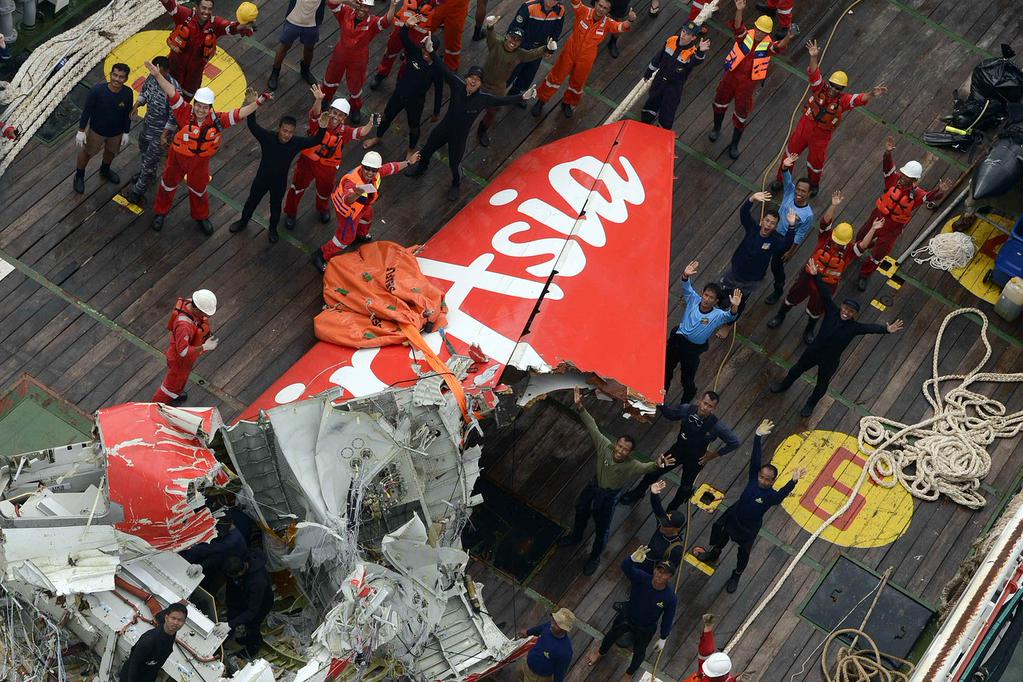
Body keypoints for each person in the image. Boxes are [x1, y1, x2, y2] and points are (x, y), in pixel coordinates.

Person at [556, 388, 675, 576]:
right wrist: (580, 407)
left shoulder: (632, 464)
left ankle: (594, 557)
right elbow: (592, 426)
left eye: (625, 449)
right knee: (581, 510)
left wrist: (658, 464)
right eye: (619, 446)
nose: (620, 451)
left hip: (608, 497)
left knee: (602, 530)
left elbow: (647, 468)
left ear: (630, 453)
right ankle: (576, 536)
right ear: (615, 444)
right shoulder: (604, 445)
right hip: (593, 487)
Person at [144, 60, 268, 234]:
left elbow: (239, 114)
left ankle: (201, 216)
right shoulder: (184, 112)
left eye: (205, 107)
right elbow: (171, 91)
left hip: (199, 163)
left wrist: (258, 103)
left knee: (199, 190)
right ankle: (160, 212)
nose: (201, 110)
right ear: (194, 105)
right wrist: (157, 75)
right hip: (177, 158)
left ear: (210, 108)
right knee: (167, 185)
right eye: (198, 106)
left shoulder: (218, 120)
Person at [769, 267, 904, 416]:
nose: (846, 312)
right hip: (813, 351)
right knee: (796, 369)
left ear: (854, 314)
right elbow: (824, 293)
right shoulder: (832, 311)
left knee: (821, 385)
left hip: (830, 361)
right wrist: (815, 276)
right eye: (845, 309)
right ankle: (784, 385)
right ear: (842, 307)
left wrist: (887, 330)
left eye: (850, 312)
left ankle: (811, 403)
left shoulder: (854, 327)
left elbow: (870, 328)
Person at [695, 419, 805, 593]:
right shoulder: (754, 477)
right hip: (735, 515)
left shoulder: (771, 496)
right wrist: (757, 436)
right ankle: (714, 552)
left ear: (772, 481)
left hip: (748, 528)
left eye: (767, 479)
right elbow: (756, 457)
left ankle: (737, 574)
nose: (762, 480)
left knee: (743, 554)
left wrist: (793, 481)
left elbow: (782, 494)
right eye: (761, 476)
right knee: (720, 532)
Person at [770, 40, 886, 195]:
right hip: (804, 128)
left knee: (816, 163)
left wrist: (872, 94)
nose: (833, 89)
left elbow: (858, 99)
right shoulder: (819, 88)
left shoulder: (843, 101)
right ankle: (781, 180)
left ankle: (813, 184)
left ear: (842, 89)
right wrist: (813, 57)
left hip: (821, 136)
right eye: (832, 85)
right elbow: (814, 73)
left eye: (837, 88)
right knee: (790, 154)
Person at [405, 63, 535, 201]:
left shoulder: (483, 99)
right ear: (466, 78)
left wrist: (522, 97)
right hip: (443, 130)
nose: (473, 81)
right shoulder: (456, 85)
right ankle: (422, 167)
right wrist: (431, 52)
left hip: (459, 137)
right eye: (471, 77)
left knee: (455, 164)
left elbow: (502, 100)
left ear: (480, 84)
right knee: (426, 150)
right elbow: (443, 69)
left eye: (477, 79)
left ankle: (456, 184)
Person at [768, 191, 881, 343]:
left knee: (817, 309)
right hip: (807, 278)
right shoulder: (825, 237)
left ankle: (809, 329)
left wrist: (873, 228)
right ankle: (780, 316)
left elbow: (862, 246)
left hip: (827, 286)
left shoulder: (849, 251)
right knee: (792, 297)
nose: (837, 244)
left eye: (840, 243)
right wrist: (833, 205)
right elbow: (825, 222)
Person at [854, 135, 953, 290]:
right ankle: (854, 254)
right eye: (904, 174)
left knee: (879, 253)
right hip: (877, 218)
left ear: (914, 180)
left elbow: (929, 197)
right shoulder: (893, 179)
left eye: (908, 177)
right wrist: (887, 153)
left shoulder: (917, 194)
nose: (904, 178)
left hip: (892, 229)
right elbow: (887, 168)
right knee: (861, 236)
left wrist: (940, 190)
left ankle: (865, 274)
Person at [622, 391, 740, 508]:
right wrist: (658, 401)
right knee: (655, 471)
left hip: (695, 459)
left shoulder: (717, 425)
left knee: (685, 488)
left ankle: (672, 511)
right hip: (678, 450)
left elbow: (734, 442)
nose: (705, 408)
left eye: (710, 406)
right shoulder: (686, 410)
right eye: (705, 403)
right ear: (700, 400)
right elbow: (670, 415)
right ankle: (638, 492)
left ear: (714, 408)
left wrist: (713, 455)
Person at [709, 0, 794, 159]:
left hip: (747, 85)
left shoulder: (768, 46)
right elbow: (737, 26)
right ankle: (716, 128)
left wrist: (789, 36)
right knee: (719, 102)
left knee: (741, 114)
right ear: (755, 27)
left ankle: (734, 144)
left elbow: (779, 46)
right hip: (730, 77)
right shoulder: (745, 35)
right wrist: (739, 10)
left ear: (768, 33)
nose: (760, 33)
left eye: (763, 31)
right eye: (758, 29)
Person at [312, 149, 421, 271]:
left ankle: (360, 235)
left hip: (362, 207)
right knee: (345, 239)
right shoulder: (351, 181)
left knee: (367, 216)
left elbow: (392, 167)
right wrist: (357, 193)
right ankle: (321, 254)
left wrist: (409, 162)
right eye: (367, 168)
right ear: (362, 166)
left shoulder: (378, 172)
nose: (370, 172)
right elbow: (347, 200)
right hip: (348, 213)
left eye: (374, 170)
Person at [285, 86, 376, 229]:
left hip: (328, 167)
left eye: (340, 115)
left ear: (344, 118)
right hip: (307, 163)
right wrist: (319, 100)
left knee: (325, 191)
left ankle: (322, 208)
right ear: (330, 111)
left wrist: (370, 124)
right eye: (334, 112)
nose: (335, 117)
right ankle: (290, 212)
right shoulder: (320, 122)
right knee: (297, 187)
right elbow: (315, 114)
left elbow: (360, 132)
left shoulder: (344, 131)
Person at [230, 112, 326, 243]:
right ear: (279, 128)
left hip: (279, 183)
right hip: (261, 179)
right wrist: (253, 106)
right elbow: (252, 125)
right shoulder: (268, 137)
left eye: (290, 132)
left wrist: (323, 127)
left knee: (275, 207)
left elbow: (316, 140)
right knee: (251, 201)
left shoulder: (296, 142)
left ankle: (273, 229)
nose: (287, 135)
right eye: (285, 131)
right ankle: (243, 221)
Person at [532, 0, 634, 119]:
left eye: (605, 8)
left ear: (608, 11)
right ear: (595, 4)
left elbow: (621, 27)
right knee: (556, 77)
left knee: (578, 83)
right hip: (570, 51)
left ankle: (568, 103)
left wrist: (630, 20)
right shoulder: (583, 11)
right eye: (600, 5)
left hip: (587, 58)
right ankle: (541, 101)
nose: (601, 9)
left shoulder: (608, 23)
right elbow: (575, 2)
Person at [585, 554, 677, 681]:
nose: (659, 575)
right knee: (611, 635)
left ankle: (629, 673)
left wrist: (663, 638)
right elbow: (626, 567)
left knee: (639, 652)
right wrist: (631, 559)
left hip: (645, 628)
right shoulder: (642, 578)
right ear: (655, 569)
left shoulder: (670, 598)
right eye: (658, 570)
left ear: (670, 577)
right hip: (627, 617)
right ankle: (600, 652)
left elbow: (668, 618)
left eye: (664, 573)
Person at [664, 260, 741, 401]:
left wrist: (735, 306)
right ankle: (659, 397)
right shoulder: (693, 300)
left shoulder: (718, 315)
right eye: (705, 295)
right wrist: (685, 275)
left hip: (693, 351)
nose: (706, 299)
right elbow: (686, 287)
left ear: (716, 301)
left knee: (687, 380)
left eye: (711, 297)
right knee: (665, 371)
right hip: (677, 342)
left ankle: (685, 403)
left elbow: (731, 315)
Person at [363, 26, 444, 153]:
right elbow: (403, 36)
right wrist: (407, 25)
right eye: (424, 50)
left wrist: (436, 112)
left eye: (429, 52)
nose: (425, 54)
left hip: (416, 102)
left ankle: (411, 149)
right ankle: (378, 137)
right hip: (399, 94)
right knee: (386, 117)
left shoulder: (437, 69)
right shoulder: (415, 52)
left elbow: (439, 90)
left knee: (414, 127)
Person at [478, 17, 554, 145]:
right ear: (507, 36)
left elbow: (534, 54)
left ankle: (482, 130)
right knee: (469, 107)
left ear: (520, 43)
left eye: (518, 40)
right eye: (512, 37)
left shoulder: (520, 54)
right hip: (481, 83)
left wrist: (547, 48)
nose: (514, 41)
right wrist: (490, 26)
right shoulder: (495, 44)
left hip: (498, 89)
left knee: (491, 113)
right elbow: (490, 34)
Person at [321, 0, 400, 124]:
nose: (363, 9)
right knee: (330, 79)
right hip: (340, 54)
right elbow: (331, 2)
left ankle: (355, 107)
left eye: (367, 6)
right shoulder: (345, 11)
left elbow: (386, 21)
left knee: (355, 86)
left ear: (370, 8)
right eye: (361, 5)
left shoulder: (373, 21)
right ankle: (325, 100)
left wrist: (393, 6)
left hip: (358, 59)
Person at [159, 0, 254, 101]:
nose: (206, 12)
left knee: (183, 105)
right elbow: (170, 4)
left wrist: (244, 26)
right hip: (173, 69)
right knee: (161, 100)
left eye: (209, 9)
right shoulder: (184, 15)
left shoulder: (215, 24)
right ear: (196, 7)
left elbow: (230, 27)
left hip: (193, 78)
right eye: (203, 8)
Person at [718, 191, 788, 319]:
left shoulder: (776, 240)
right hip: (734, 271)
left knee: (740, 303)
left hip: (751, 280)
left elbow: (787, 244)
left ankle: (729, 325)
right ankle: (718, 313)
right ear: (762, 221)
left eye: (772, 223)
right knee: (723, 294)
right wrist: (752, 199)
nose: (768, 224)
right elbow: (744, 213)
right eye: (767, 220)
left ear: (776, 227)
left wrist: (792, 226)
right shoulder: (752, 228)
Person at [125, 57, 179, 205]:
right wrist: (138, 103)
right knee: (144, 150)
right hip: (148, 125)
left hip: (162, 132)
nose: (155, 75)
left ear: (167, 71)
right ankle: (147, 174)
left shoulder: (173, 89)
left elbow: (174, 116)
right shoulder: (152, 77)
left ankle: (138, 191)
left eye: (158, 73)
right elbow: (145, 91)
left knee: (150, 160)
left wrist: (164, 135)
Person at [73, 63, 133, 194]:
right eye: (115, 75)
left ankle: (105, 170)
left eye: (121, 77)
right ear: (110, 75)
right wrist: (81, 130)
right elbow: (86, 111)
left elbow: (127, 113)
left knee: (111, 152)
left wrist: (126, 132)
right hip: (96, 131)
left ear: (126, 79)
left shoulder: (128, 93)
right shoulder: (97, 91)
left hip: (116, 132)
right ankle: (79, 176)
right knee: (87, 153)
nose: (117, 79)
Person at [763, 153, 814, 304]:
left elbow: (800, 234)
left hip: (784, 241)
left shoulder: (808, 215)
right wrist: (785, 165)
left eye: (803, 191)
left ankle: (778, 288)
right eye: (798, 189)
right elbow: (786, 176)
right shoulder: (790, 192)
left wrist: (791, 251)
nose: (799, 193)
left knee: (776, 266)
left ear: (809, 193)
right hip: (771, 231)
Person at [152, 289, 218, 405]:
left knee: (181, 380)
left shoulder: (190, 304)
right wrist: (204, 346)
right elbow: (183, 351)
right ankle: (155, 406)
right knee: (170, 385)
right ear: (197, 309)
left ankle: (175, 394)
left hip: (184, 359)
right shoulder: (184, 326)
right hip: (179, 360)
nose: (206, 316)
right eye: (204, 313)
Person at [640, 23, 709, 129]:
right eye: (683, 31)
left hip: (674, 87)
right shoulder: (671, 40)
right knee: (652, 101)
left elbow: (696, 61)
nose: (683, 35)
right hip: (659, 79)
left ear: (693, 37)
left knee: (668, 109)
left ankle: (662, 131)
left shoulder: (692, 52)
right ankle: (644, 123)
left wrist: (701, 51)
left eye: (688, 34)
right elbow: (658, 57)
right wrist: (649, 72)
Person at [506, 0, 565, 101]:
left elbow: (556, 33)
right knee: (509, 73)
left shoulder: (560, 11)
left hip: (538, 50)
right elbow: (514, 27)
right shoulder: (529, 7)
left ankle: (515, 96)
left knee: (528, 76)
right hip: (521, 48)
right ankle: (496, 95)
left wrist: (550, 50)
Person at [370, 0, 436, 88]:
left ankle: (401, 80)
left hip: (418, 34)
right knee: (390, 53)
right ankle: (381, 74)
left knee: (409, 59)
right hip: (401, 28)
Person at [224, 550, 275, 659]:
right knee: (245, 621)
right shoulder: (246, 558)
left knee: (253, 624)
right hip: (246, 596)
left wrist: (230, 624)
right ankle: (247, 638)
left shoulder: (257, 582)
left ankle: (254, 647)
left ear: (240, 573)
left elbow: (252, 611)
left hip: (261, 604)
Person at [118, 603, 188, 681]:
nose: (176, 623)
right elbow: (134, 665)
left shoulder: (171, 634)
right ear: (166, 618)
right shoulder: (149, 640)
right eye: (173, 618)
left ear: (184, 622)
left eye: (180, 620)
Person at [268, 0, 326, 90]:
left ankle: (305, 70)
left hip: (312, 23)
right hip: (293, 20)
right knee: (284, 46)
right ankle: (275, 71)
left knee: (309, 48)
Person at [636, 480, 687, 572]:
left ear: (677, 528)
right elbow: (658, 508)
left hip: (651, 572)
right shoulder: (662, 525)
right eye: (664, 522)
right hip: (641, 560)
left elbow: (670, 569)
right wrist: (654, 494)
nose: (663, 526)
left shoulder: (675, 549)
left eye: (667, 525)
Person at [682, 613, 747, 682]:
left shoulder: (704, 669)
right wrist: (738, 680)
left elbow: (706, 650)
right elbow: (706, 650)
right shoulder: (709, 669)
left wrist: (708, 627)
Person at [518, 608, 575, 682]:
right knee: (519, 674)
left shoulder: (565, 652)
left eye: (557, 624)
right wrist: (528, 632)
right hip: (526, 662)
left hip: (537, 677)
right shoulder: (548, 625)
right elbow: (540, 628)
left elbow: (560, 673)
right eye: (553, 620)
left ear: (564, 629)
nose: (552, 624)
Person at [427, 0, 471, 69]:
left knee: (453, 41)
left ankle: (450, 68)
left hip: (456, 9)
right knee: (425, 28)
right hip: (440, 6)